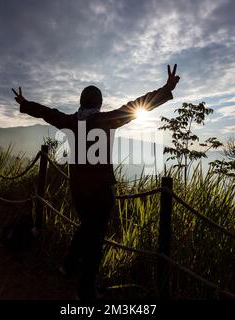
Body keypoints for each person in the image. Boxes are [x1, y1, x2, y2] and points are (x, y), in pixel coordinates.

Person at [13, 64, 180, 300]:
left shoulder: (70, 121)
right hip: (101, 192)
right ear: (99, 104)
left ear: (81, 103)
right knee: (95, 240)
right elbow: (137, 105)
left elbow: (46, 112)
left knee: (87, 227)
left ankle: (68, 266)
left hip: (78, 190)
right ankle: (86, 291)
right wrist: (167, 88)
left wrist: (24, 103)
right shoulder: (106, 120)